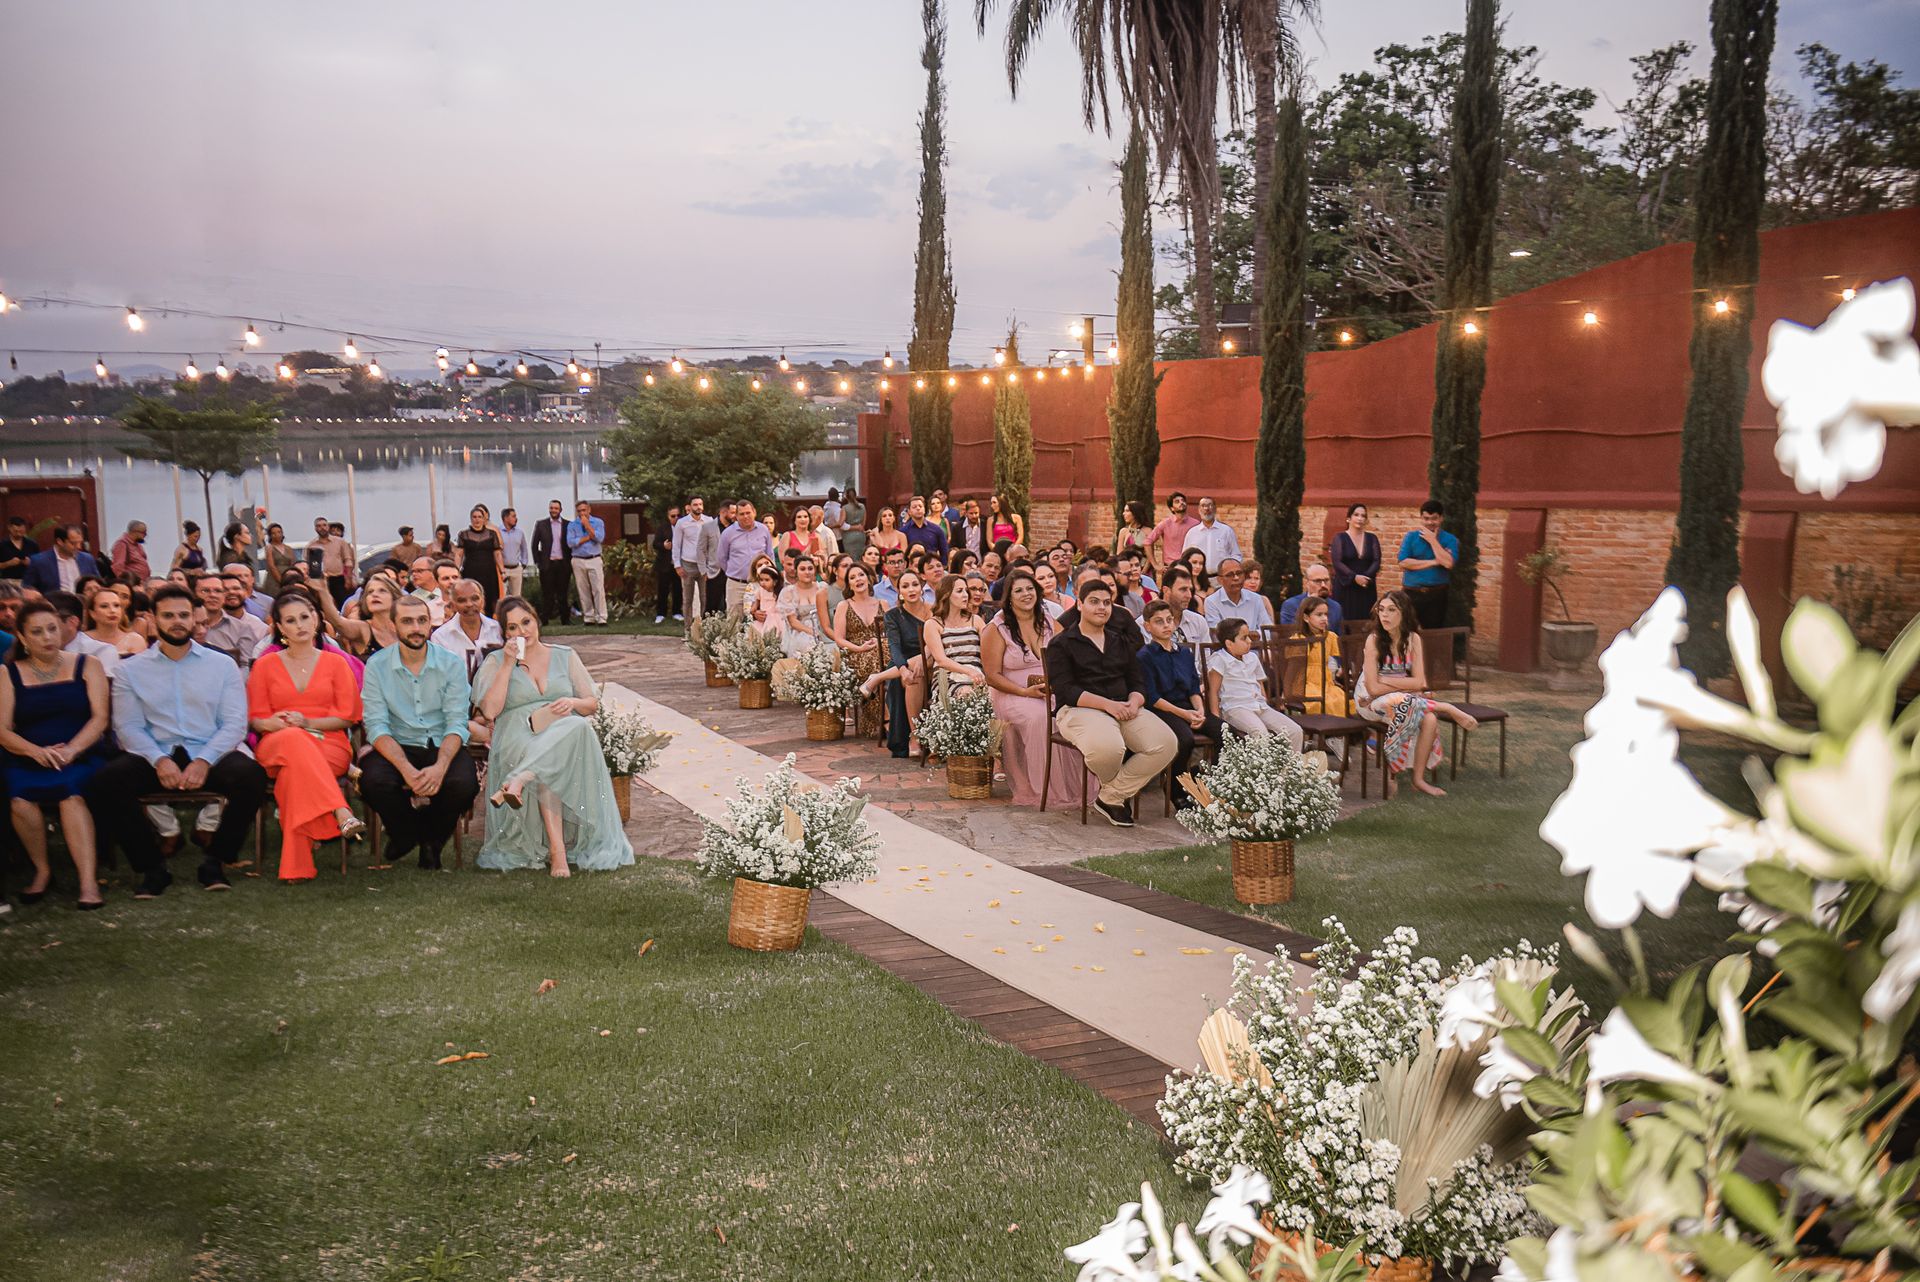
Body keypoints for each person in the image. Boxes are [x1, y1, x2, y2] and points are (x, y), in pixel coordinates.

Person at [86, 585, 268, 896]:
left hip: (210, 749)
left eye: (184, 615)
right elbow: (127, 726)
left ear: (196, 619)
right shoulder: (130, 669)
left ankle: (216, 861)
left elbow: (234, 723)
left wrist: (204, 760)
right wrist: (159, 760)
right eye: (168, 616)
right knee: (105, 783)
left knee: (251, 777)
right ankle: (152, 867)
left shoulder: (221, 665)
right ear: (153, 620)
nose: (177, 621)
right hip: (154, 752)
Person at [473, 598, 633, 876]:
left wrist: (571, 703)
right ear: (504, 633)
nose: (522, 631)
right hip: (518, 734)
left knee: (577, 727)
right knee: (550, 759)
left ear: (536, 621)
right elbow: (489, 711)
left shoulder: (564, 654)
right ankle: (557, 854)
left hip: (561, 730)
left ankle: (520, 779)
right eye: (512, 627)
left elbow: (591, 704)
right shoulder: (496, 661)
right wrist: (508, 664)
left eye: (526, 622)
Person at [247, 592, 366, 881]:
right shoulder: (264, 665)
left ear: (316, 618)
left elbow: (349, 715)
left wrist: (308, 721)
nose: (300, 624)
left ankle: (296, 866)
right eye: (290, 620)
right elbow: (255, 719)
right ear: (279, 627)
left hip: (330, 743)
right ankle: (340, 811)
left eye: (305, 616)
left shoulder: (337, 663)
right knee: (295, 740)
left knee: (293, 776)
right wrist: (274, 724)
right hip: (277, 743)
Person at [1, 600, 112, 907]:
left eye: (53, 628)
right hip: (28, 756)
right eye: (37, 632)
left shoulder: (87, 664)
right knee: (20, 799)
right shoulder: (7, 674)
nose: (48, 637)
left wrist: (73, 750)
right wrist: (36, 752)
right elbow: (3, 730)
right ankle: (42, 870)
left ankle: (88, 883)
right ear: (22, 638)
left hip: (81, 753)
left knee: (70, 794)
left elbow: (100, 718)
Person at [359, 595, 481, 871]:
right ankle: (405, 834)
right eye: (407, 621)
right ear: (393, 626)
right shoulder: (377, 666)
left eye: (422, 620)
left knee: (462, 784)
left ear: (430, 624)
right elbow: (376, 726)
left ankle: (431, 842)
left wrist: (439, 767)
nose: (416, 628)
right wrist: (406, 770)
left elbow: (456, 723)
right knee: (372, 781)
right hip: (397, 742)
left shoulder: (450, 664)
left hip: (440, 742)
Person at [1044, 579, 1177, 828]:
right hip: (1078, 709)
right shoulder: (1061, 644)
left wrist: (1135, 701)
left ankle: (1110, 796)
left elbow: (1137, 681)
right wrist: (1108, 705)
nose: (1102, 608)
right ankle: (1117, 795)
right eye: (1094, 602)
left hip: (1124, 707)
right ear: (1080, 604)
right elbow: (1066, 690)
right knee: (1109, 748)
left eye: (1107, 603)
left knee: (1165, 743)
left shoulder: (1120, 641)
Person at [1356, 590, 1477, 798]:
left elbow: (1420, 682)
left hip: (1403, 698)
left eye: (1391, 610)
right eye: (1381, 609)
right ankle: (1448, 708)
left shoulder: (1413, 639)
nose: (1384, 615)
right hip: (1369, 702)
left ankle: (1418, 779)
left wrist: (1385, 680)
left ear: (1403, 613)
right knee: (1401, 699)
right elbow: (1373, 690)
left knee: (1428, 719)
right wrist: (1404, 685)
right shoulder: (1373, 640)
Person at [981, 570, 1076, 808]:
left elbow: (1067, 654)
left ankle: (1071, 784)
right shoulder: (997, 627)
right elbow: (992, 676)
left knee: (1068, 715)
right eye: (1019, 590)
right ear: (1009, 597)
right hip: (1011, 692)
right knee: (1038, 718)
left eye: (1030, 589)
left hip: (1048, 689)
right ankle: (1040, 788)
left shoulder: (1047, 620)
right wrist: (1024, 692)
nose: (1026, 594)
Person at [1138, 600, 1222, 809]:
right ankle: (1176, 791)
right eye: (1159, 622)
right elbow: (1153, 697)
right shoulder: (1144, 656)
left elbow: (1194, 687)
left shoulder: (1184, 653)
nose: (1166, 625)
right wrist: (1185, 715)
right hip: (1163, 710)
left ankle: (1210, 782)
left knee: (1226, 732)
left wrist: (1200, 711)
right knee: (1184, 740)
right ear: (1148, 626)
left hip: (1189, 706)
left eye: (1169, 620)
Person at [1206, 619, 1304, 748]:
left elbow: (1259, 685)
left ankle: (1290, 767)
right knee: (1260, 733)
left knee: (1295, 731)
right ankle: (1261, 768)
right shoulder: (1220, 659)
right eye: (1244, 638)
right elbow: (1213, 691)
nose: (1249, 641)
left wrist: (1265, 704)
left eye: (1249, 637)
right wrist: (1216, 721)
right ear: (1229, 643)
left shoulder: (1252, 657)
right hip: (1235, 708)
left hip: (1259, 706)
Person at [876, 568, 931, 758]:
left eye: (915, 584)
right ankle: (914, 737)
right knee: (914, 677)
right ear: (899, 592)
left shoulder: (933, 612)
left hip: (932, 660)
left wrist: (921, 659)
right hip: (903, 664)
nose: (911, 589)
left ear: (922, 587)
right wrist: (902, 668)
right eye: (905, 586)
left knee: (921, 667)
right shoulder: (893, 615)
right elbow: (894, 646)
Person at [1398, 501, 1459, 630]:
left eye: (1434, 518)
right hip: (1411, 593)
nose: (1430, 522)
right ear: (1421, 518)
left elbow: (1448, 563)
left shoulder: (1450, 539)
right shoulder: (1411, 537)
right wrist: (1435, 561)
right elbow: (1403, 562)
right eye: (1426, 518)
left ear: (1441, 518)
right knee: (1408, 632)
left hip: (1437, 595)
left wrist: (1433, 540)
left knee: (1434, 635)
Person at [432, 579, 505, 678]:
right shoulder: (441, 637)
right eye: (462, 600)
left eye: (475, 598)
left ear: (482, 601)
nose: (469, 604)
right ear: (453, 605)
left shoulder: (498, 629)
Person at [318, 570, 399, 658]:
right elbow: (338, 622)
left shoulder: (403, 628)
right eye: (370, 592)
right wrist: (322, 589)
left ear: (394, 597)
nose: (374, 595)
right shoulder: (363, 629)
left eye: (382, 591)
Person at [1294, 595, 1352, 717]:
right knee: (1322, 703)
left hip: (1327, 682)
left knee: (1341, 700)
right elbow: (1293, 670)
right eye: (1319, 615)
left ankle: (1340, 733)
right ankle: (1328, 733)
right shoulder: (1298, 639)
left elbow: (1336, 659)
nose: (1324, 619)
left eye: (1326, 615)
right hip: (1306, 684)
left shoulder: (1330, 637)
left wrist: (1339, 670)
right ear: (1306, 617)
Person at [718, 500, 775, 613]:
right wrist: (735, 572)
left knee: (760, 617)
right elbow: (722, 558)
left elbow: (769, 555)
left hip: (760, 584)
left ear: (754, 512)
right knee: (734, 621)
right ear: (736, 516)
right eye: (742, 514)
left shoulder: (763, 530)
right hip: (736, 584)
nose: (745, 516)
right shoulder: (728, 533)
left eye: (748, 513)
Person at [202, 572, 270, 666]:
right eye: (225, 590)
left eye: (236, 588)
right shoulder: (197, 625)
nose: (231, 592)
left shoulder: (258, 627)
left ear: (246, 593)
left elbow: (247, 665)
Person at [1331, 503, 1380, 626]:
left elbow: (1376, 560)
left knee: (1366, 622)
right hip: (1345, 586)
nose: (1360, 518)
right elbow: (1337, 562)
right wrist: (1354, 577)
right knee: (1345, 621)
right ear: (1348, 518)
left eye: (1363, 516)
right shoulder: (1340, 537)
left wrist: (1365, 578)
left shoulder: (1372, 538)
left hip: (1366, 586)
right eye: (1356, 515)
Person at [51, 591, 121, 676]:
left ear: (72, 622)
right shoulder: (37, 652)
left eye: (51, 626)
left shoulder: (102, 651)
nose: (112, 610)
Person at [455, 504, 505, 614]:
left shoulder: (492, 534)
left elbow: (497, 553)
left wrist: (502, 570)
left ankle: (490, 622)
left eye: (479, 517)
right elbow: (459, 554)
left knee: (490, 598)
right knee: (471, 595)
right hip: (471, 570)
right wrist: (456, 570)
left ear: (484, 518)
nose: (477, 519)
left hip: (489, 572)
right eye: (474, 517)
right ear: (471, 518)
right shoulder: (464, 534)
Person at [24, 524, 100, 594]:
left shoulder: (87, 559)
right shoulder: (39, 561)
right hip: (55, 604)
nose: (79, 547)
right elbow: (28, 588)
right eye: (73, 543)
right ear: (59, 541)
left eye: (80, 543)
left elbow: (98, 582)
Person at [530, 499, 572, 625]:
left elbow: (570, 545)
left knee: (563, 594)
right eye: (551, 508)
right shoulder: (541, 524)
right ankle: (545, 619)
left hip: (563, 564)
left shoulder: (567, 525)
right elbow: (534, 545)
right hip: (547, 564)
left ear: (560, 510)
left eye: (556, 508)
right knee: (547, 594)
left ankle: (565, 619)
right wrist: (539, 562)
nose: (553, 510)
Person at [776, 556, 828, 657]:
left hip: (824, 627)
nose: (807, 572)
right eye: (802, 569)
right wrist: (813, 633)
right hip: (802, 630)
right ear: (796, 571)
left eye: (810, 568)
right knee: (806, 645)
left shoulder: (822, 587)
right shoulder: (789, 592)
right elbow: (793, 622)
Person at [566, 500, 608, 626]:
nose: (582, 513)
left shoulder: (598, 522)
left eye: (584, 510)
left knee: (598, 589)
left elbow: (600, 538)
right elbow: (571, 543)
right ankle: (589, 617)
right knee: (583, 589)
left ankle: (601, 617)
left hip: (594, 558)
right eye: (579, 511)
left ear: (589, 510)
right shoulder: (572, 525)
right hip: (578, 559)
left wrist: (588, 526)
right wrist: (588, 537)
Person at [1143, 493, 1200, 572]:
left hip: (1189, 568)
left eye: (1183, 500)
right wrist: (1155, 565)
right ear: (1172, 508)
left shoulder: (1196, 524)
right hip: (1170, 568)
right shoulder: (1166, 523)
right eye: (1177, 501)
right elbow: (1147, 542)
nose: (1181, 503)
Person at [1279, 564, 1346, 630]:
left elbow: (1339, 637)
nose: (1323, 585)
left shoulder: (1336, 607)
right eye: (1318, 581)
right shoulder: (1291, 605)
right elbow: (1291, 634)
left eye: (1326, 580)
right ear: (1306, 583)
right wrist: (1308, 605)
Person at [86, 585, 147, 657]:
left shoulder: (135, 640)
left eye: (116, 605)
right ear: (92, 613)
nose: (112, 610)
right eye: (104, 606)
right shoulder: (81, 639)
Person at [306, 517, 352, 606]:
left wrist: (348, 578)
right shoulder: (312, 545)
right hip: (321, 581)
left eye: (324, 525)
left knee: (342, 604)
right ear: (315, 529)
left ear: (328, 527)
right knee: (325, 605)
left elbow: (348, 560)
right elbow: (312, 566)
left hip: (338, 579)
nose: (322, 528)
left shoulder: (339, 542)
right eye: (319, 526)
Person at [654, 503, 684, 625]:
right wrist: (664, 546)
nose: (676, 518)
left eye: (678, 515)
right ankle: (661, 613)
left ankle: (677, 612)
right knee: (663, 590)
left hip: (679, 564)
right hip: (665, 564)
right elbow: (655, 544)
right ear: (668, 516)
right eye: (673, 516)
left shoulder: (683, 527)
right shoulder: (662, 528)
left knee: (678, 589)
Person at [901, 496, 948, 563]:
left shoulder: (936, 529)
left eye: (920, 506)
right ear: (909, 512)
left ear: (924, 509)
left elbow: (944, 552)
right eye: (914, 507)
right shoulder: (903, 531)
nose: (918, 508)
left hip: (932, 567)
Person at [496, 507, 528, 600]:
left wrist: (523, 563)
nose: (516, 519)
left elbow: (524, 548)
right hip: (503, 569)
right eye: (513, 516)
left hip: (516, 568)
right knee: (502, 597)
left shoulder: (520, 533)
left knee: (517, 597)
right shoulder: (497, 532)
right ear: (506, 518)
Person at [746, 561, 783, 634]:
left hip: (776, 619)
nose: (763, 583)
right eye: (761, 580)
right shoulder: (760, 591)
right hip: (762, 619)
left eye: (767, 580)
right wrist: (753, 611)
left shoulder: (779, 593)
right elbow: (754, 607)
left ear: (775, 581)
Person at [263, 523, 301, 591]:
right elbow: (271, 566)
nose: (277, 535)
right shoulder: (269, 548)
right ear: (270, 535)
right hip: (274, 580)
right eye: (273, 533)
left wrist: (291, 579)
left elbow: (293, 564)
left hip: (288, 578)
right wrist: (281, 581)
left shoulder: (289, 548)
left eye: (279, 532)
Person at [0, 515, 37, 580]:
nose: (19, 533)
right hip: (9, 582)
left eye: (21, 531)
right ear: (9, 528)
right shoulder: (2, 545)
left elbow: (39, 563)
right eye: (16, 531)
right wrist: (8, 563)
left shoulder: (32, 544)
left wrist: (31, 563)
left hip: (28, 581)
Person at [839, 489, 867, 561]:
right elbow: (863, 523)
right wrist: (858, 527)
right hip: (861, 536)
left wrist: (852, 527)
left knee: (851, 559)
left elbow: (841, 524)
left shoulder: (845, 508)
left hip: (849, 537)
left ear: (846, 496)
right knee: (860, 557)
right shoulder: (862, 506)